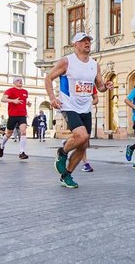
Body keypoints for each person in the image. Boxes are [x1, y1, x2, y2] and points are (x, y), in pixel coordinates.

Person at [46, 32, 113, 188]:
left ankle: (66, 175)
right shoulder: (66, 62)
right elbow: (48, 78)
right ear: (75, 45)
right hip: (68, 105)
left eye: (88, 40)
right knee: (81, 136)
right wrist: (52, 98)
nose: (87, 43)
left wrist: (106, 86)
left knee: (83, 146)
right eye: (83, 41)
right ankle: (62, 152)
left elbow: (100, 86)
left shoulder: (94, 64)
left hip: (86, 108)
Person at [0, 77, 31, 159]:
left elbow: (23, 100)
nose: (20, 81)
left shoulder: (25, 92)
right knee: (9, 133)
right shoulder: (10, 90)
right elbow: (3, 99)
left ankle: (22, 152)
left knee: (23, 132)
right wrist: (13, 101)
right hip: (12, 115)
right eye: (18, 80)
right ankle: (2, 146)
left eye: (21, 80)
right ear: (14, 82)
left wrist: (28, 103)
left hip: (22, 115)